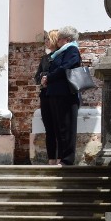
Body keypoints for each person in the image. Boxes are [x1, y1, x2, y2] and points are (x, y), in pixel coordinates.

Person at [42, 25, 82, 166]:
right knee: (59, 128)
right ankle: (60, 158)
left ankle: (67, 159)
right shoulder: (59, 53)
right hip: (55, 94)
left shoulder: (72, 50)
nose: (57, 41)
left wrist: (49, 77)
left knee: (67, 127)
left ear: (67, 39)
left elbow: (65, 68)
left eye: (59, 38)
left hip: (66, 94)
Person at [34, 30, 60, 164]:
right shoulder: (44, 58)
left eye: (48, 39)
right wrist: (43, 77)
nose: (46, 42)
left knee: (59, 127)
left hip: (57, 95)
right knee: (49, 128)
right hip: (45, 95)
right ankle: (51, 159)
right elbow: (36, 77)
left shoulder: (61, 56)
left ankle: (61, 158)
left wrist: (48, 77)